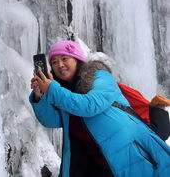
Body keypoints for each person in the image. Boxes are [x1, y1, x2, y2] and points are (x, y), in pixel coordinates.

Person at [29, 40, 170, 177]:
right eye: (54, 62)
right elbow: (52, 121)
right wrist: (40, 97)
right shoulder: (64, 93)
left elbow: (91, 105)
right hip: (91, 164)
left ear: (77, 60)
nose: (59, 65)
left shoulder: (99, 76)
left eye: (64, 58)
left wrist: (53, 90)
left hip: (128, 156)